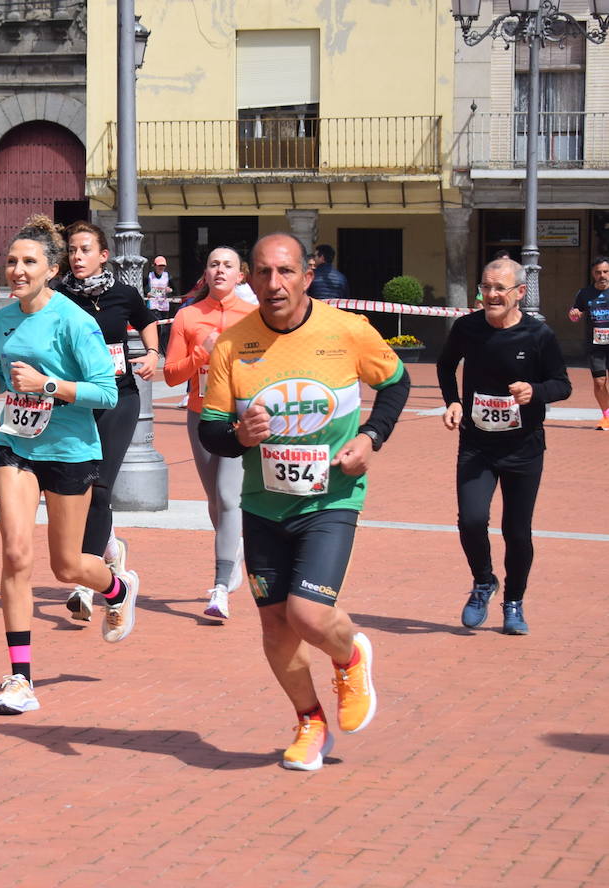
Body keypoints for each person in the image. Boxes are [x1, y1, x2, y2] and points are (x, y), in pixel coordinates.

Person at [198, 232, 411, 771]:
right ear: (250, 277)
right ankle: (310, 722)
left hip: (331, 497)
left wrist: (370, 438)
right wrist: (239, 436)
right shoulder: (232, 344)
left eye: (286, 271)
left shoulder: (347, 331)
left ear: (307, 276)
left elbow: (397, 383)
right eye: (265, 273)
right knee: (274, 626)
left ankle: (350, 653)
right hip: (263, 503)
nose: (275, 283)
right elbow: (212, 430)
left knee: (308, 613)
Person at [0, 215, 128, 716]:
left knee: (67, 566)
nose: (17, 270)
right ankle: (20, 678)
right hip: (16, 442)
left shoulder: (75, 321)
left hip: (71, 449)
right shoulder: (4, 317)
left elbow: (107, 391)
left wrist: (48, 386)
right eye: (11, 261)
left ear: (51, 269)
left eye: (28, 262)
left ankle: (118, 588)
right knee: (15, 555)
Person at [439, 259, 571, 635]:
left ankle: (514, 601)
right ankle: (484, 582)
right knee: (473, 520)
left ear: (520, 293)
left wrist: (536, 392)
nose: (492, 295)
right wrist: (453, 401)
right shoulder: (467, 329)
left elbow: (562, 384)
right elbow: (446, 366)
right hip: (477, 444)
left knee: (517, 532)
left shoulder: (538, 335)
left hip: (523, 448)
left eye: (500, 288)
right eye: (486, 287)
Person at [57, 222, 159, 622]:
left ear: (103, 255)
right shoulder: (60, 296)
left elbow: (147, 318)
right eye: (72, 250)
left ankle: (87, 580)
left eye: (85, 249)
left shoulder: (123, 293)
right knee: (77, 489)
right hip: (76, 403)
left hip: (119, 398)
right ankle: (112, 551)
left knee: (98, 489)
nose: (77, 257)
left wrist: (152, 353)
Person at [163, 247, 257, 620]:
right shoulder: (188, 316)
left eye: (228, 265)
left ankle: (220, 585)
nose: (220, 270)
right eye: (214, 264)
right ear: (206, 272)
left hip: (238, 417)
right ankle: (233, 549)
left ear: (241, 275)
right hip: (201, 415)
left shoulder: (254, 317)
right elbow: (171, 374)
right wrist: (202, 352)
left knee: (228, 495)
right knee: (214, 501)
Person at [567, 256, 609, 431]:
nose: (602, 275)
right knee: (599, 382)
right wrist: (573, 314)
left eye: (605, 272)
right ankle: (607, 416)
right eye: (598, 272)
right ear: (593, 273)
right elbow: (575, 312)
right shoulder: (584, 293)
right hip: (596, 345)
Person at [147, 255, 175, 353]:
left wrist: (169, 290)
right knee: (158, 328)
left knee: (165, 329)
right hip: (153, 305)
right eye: (159, 266)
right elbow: (146, 291)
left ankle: (165, 350)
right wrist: (151, 293)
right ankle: (157, 349)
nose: (161, 268)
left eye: (163, 266)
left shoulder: (168, 276)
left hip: (164, 306)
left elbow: (174, 289)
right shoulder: (149, 276)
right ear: (154, 266)